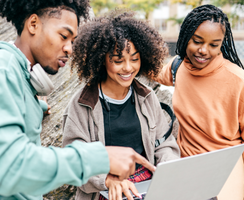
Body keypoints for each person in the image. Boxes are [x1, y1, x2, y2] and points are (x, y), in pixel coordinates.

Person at [0, 1, 155, 199]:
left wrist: (37, 106)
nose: (69, 49)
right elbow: (7, 168)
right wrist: (100, 157)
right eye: (64, 36)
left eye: (73, 40)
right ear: (33, 24)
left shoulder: (17, 77)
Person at [62, 10, 180, 200]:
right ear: (102, 60)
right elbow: (74, 161)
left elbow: (165, 144)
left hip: (146, 184)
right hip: (104, 189)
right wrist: (107, 179)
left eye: (134, 59)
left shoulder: (147, 97)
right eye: (118, 60)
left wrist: (167, 169)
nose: (128, 68)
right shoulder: (81, 105)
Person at [155, 5, 244, 200]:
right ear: (186, 36)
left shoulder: (238, 80)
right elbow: (151, 72)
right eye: (197, 41)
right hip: (186, 173)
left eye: (214, 44)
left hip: (226, 175)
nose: (204, 50)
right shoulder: (178, 67)